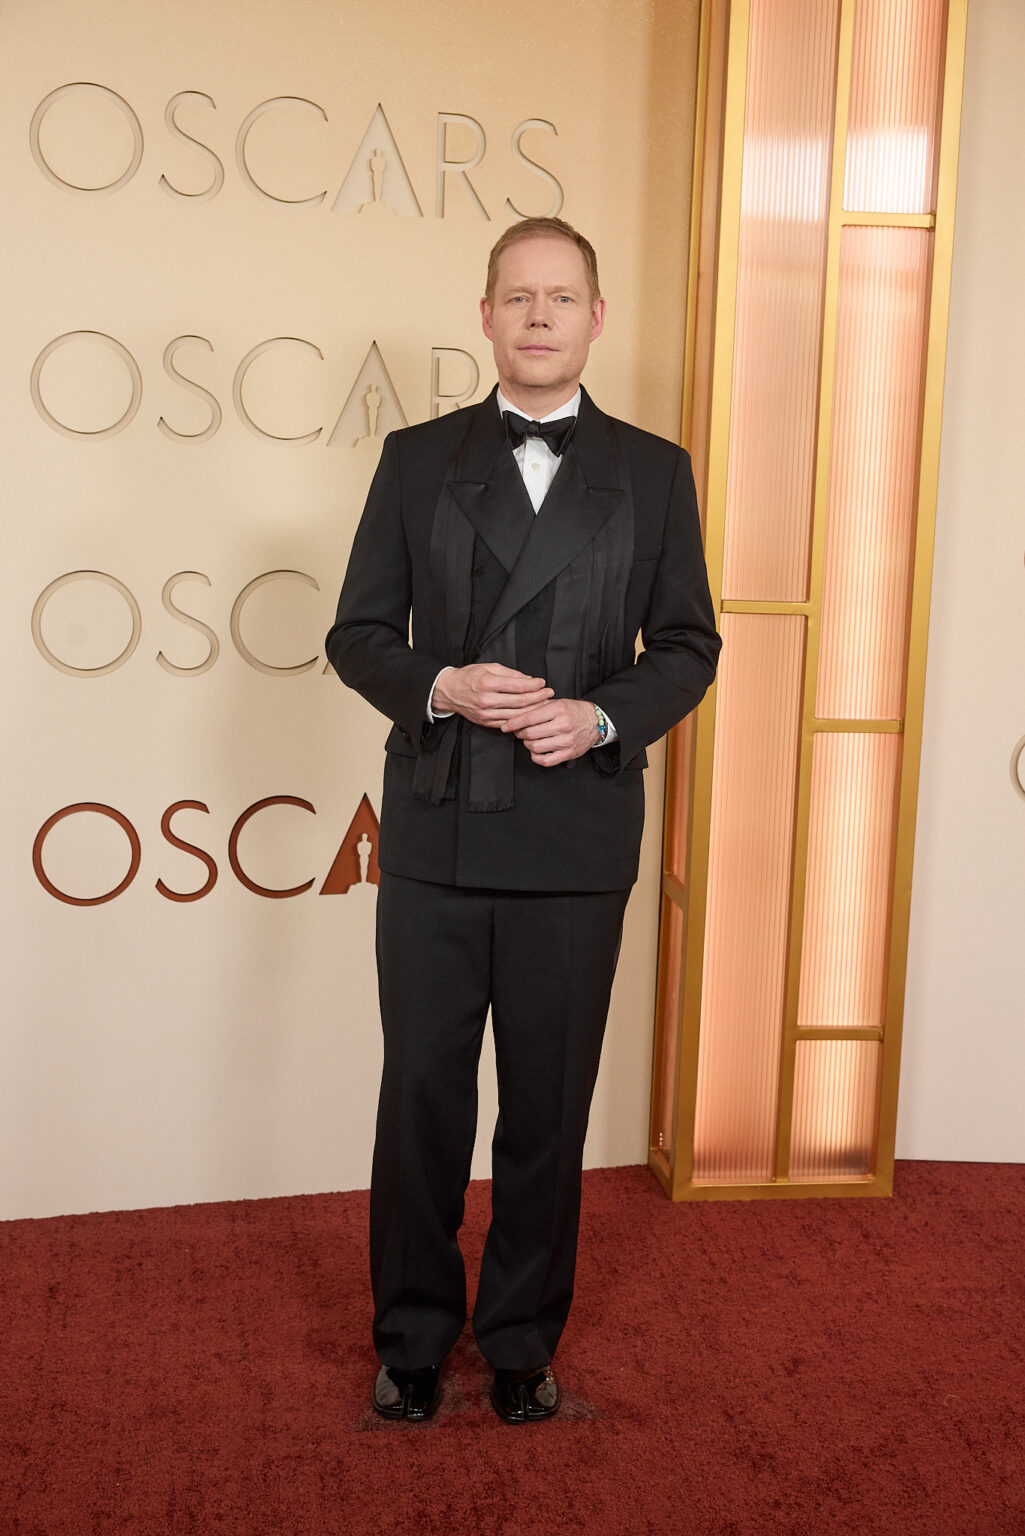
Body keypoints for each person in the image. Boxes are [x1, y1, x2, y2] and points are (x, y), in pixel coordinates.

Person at [326, 216, 720, 1425]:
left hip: (573, 831)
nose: (538, 315)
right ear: (485, 315)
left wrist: (600, 719)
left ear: (595, 318)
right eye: (517, 297)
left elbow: (689, 646)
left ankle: (518, 1342)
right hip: (440, 826)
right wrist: (439, 686)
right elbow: (356, 638)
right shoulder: (414, 457)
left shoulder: (652, 471)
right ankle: (410, 1337)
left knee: (547, 1108)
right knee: (422, 1097)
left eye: (561, 297)